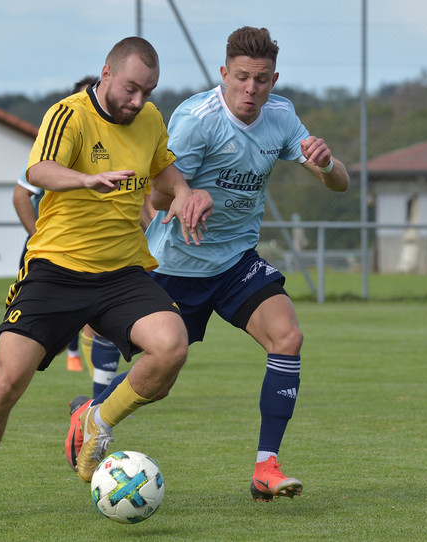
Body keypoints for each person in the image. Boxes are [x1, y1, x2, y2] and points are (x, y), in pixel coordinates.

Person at [0, 36, 212, 525]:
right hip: (56, 271)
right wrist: (83, 179)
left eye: (147, 91)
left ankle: (97, 420)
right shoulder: (69, 114)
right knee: (6, 385)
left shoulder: (150, 119)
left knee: (171, 347)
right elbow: (37, 169)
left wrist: (187, 192)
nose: (138, 101)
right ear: (106, 72)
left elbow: (163, 171)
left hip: (123, 272)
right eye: (131, 88)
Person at [72, 26, 350, 503]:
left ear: (274, 79)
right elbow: (157, 190)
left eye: (261, 80)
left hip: (236, 261)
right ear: (224, 73)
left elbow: (340, 184)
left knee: (288, 336)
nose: (251, 89)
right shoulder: (196, 120)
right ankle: (93, 414)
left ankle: (266, 467)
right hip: (174, 265)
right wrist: (185, 196)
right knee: (158, 382)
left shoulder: (281, 116)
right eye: (241, 77)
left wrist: (326, 165)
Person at [11, 76, 99, 372]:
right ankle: (64, 351)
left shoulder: (110, 144)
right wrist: (38, 235)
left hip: (92, 246)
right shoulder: (57, 142)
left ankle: (96, 391)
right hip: (49, 248)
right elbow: (22, 194)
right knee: (42, 331)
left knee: (97, 317)